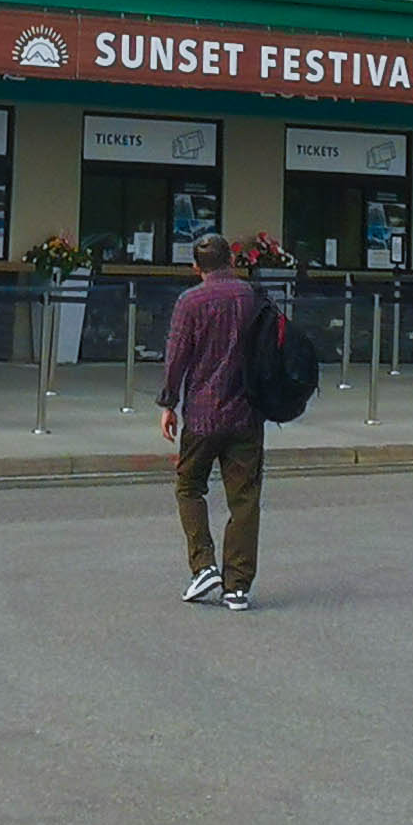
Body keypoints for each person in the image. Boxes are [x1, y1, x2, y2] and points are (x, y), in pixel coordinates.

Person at [159, 245, 272, 610]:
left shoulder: (190, 302)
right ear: (233, 261)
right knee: (245, 498)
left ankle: (203, 564)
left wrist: (168, 403)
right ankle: (237, 586)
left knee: (189, 485)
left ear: (196, 267)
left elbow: (177, 355)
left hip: (203, 413)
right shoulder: (254, 297)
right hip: (246, 412)